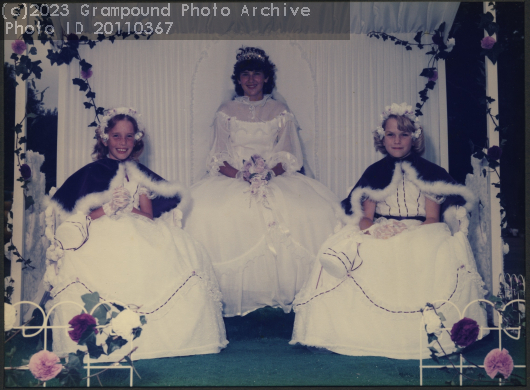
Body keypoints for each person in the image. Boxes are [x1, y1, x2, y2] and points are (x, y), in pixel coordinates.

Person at [290, 103, 488, 359]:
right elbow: (365, 218)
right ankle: (351, 326)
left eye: (404, 135)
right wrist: (377, 231)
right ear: (382, 138)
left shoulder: (429, 172)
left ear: (414, 139)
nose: (397, 140)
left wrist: (405, 234)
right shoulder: (376, 172)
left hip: (421, 229)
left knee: (424, 250)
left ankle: (417, 333)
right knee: (364, 248)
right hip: (382, 227)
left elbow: (431, 218)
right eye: (391, 134)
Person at [45, 107, 227, 361]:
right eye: (117, 136)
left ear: (136, 140)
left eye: (129, 136)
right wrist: (108, 207)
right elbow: (83, 216)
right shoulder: (92, 172)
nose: (123, 142)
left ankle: (161, 339)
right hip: (102, 228)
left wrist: (129, 207)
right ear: (105, 138)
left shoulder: (138, 175)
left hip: (138, 227)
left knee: (167, 251)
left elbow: (148, 215)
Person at [184, 47, 340, 317]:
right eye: (246, 74)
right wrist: (242, 175)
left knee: (312, 212)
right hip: (235, 176)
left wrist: (268, 174)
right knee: (210, 213)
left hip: (274, 176)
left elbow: (289, 153)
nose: (251, 79)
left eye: (257, 74)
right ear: (239, 79)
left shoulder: (280, 110)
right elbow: (218, 155)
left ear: (266, 78)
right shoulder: (226, 111)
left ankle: (293, 294)